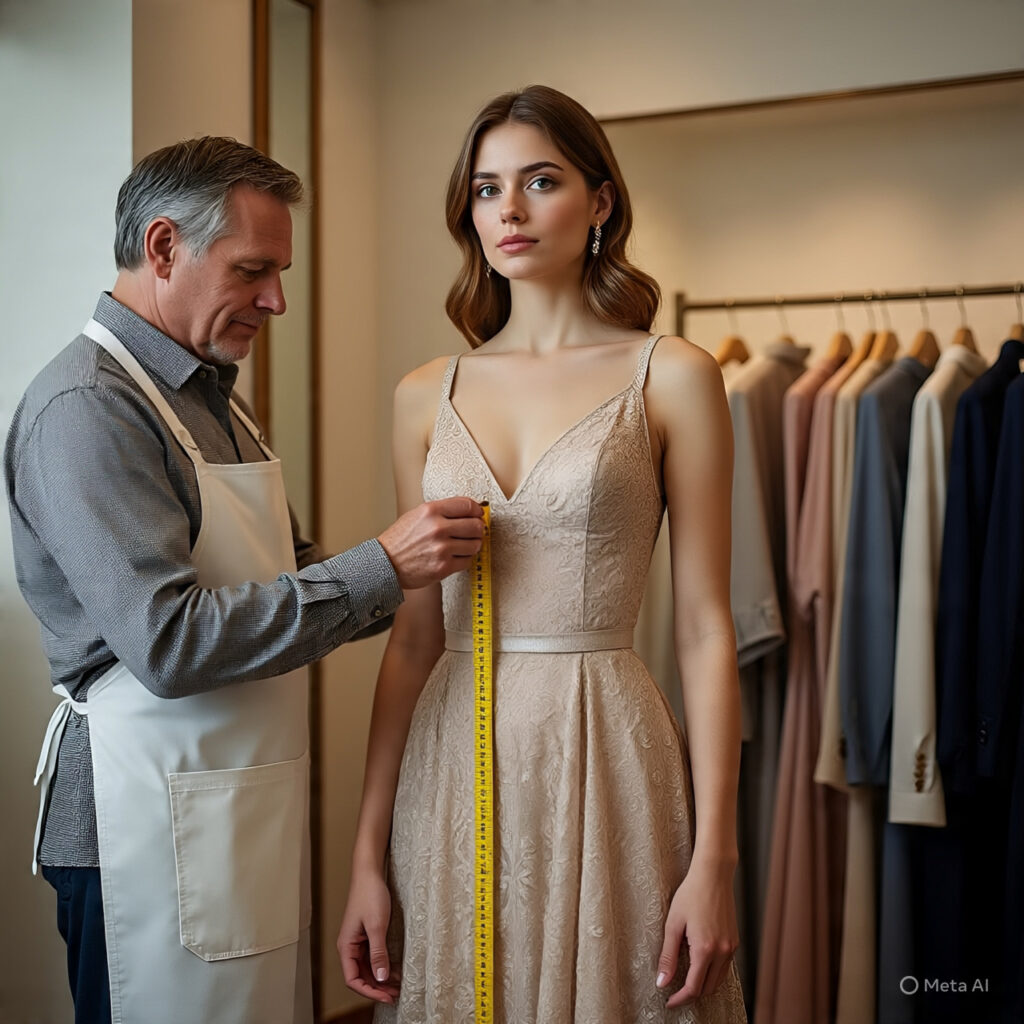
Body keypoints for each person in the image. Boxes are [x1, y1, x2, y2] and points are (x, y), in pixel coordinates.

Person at [4, 136, 484, 1024]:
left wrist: (428, 572)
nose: (278, 300)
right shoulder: (87, 410)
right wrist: (384, 563)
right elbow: (170, 642)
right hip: (135, 824)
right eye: (255, 270)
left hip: (230, 811)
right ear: (162, 249)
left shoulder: (214, 394)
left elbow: (289, 576)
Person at [338, 86, 748, 1022]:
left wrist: (717, 858)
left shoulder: (672, 374)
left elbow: (703, 626)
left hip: (605, 746)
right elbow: (410, 640)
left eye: (540, 181)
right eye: (486, 189)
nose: (509, 211)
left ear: (600, 202)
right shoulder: (421, 394)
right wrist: (366, 855)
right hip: (452, 754)